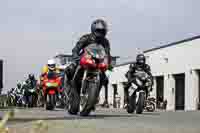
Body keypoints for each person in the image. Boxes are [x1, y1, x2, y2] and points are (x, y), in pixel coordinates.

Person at [65, 19, 112, 92]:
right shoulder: (86, 38)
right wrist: (76, 57)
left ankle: (96, 93)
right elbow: (76, 49)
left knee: (105, 78)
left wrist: (108, 63)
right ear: (93, 29)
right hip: (84, 59)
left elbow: (107, 53)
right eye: (98, 30)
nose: (100, 32)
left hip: (98, 62)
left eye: (102, 31)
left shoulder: (105, 42)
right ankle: (67, 86)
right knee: (70, 69)